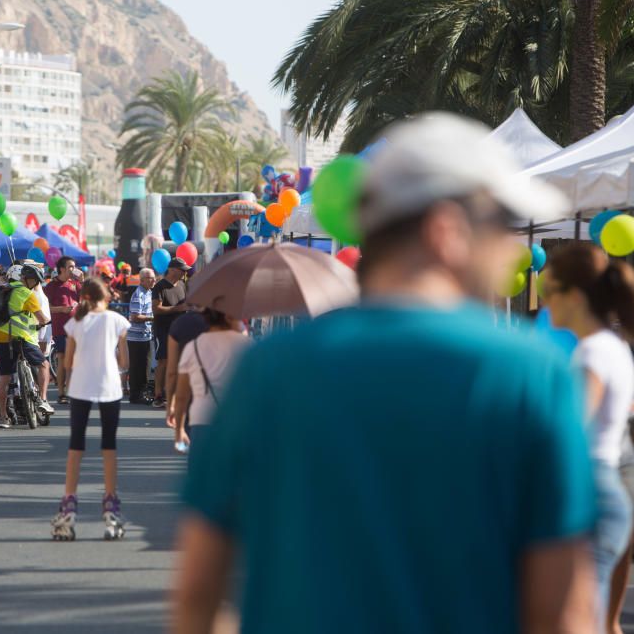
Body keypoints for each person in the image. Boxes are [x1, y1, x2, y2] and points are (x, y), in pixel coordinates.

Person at [173, 113, 598, 633]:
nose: (510, 246)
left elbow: (197, 591)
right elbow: (565, 616)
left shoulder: (271, 370)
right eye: (500, 224)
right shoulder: (533, 374)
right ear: (447, 231)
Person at [542, 242, 634, 625]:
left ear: (574, 297)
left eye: (549, 292)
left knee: (579, 619)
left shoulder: (593, 352)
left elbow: (571, 427)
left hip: (593, 488)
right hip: (605, 488)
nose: (545, 304)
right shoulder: (612, 346)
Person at [51, 278, 130, 541]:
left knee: (76, 446)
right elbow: (124, 359)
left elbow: (69, 360)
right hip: (109, 385)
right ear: (105, 295)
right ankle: (110, 504)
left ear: (83, 296)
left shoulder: (76, 322)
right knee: (109, 445)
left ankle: (69, 503)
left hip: (81, 385)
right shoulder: (116, 320)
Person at [171, 307, 249, 455]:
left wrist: (179, 429)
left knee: (201, 471)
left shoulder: (193, 346)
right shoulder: (246, 344)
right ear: (228, 318)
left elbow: (181, 396)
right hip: (236, 419)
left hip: (202, 418)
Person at [0, 264, 53, 428]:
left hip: (1, 338)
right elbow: (42, 319)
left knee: (4, 377)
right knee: (44, 364)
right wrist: (45, 322)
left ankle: (3, 417)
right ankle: (43, 399)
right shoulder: (27, 293)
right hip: (21, 337)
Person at [151, 257, 190, 408]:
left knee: (178, 362)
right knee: (164, 361)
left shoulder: (182, 284)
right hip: (163, 329)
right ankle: (158, 395)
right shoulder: (159, 286)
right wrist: (177, 309)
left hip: (180, 330)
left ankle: (172, 393)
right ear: (173, 269)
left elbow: (185, 304)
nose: (184, 273)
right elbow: (156, 309)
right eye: (182, 270)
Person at [164, 309, 209, 428]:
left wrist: (170, 405)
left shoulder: (181, 323)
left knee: (189, 439)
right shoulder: (230, 325)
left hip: (192, 394)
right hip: (223, 400)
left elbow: (172, 372)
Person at [45, 256, 80, 403]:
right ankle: (61, 392)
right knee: (62, 359)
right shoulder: (51, 286)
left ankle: (72, 391)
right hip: (60, 329)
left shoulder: (75, 284)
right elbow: (44, 308)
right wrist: (61, 309)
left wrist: (83, 281)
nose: (73, 269)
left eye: (74, 266)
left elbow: (86, 299)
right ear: (62, 269)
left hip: (76, 328)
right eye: (71, 266)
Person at [127, 267, 155, 405]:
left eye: (154, 277)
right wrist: (152, 318)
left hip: (146, 335)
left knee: (145, 366)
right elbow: (135, 316)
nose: (154, 280)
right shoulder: (139, 294)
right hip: (136, 337)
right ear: (142, 280)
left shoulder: (149, 292)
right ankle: (135, 395)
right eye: (150, 278)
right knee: (137, 367)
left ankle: (142, 393)